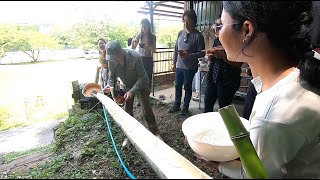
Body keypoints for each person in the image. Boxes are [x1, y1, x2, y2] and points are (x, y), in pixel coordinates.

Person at [196, 1, 320, 179]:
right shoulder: (294, 76)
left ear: (247, 30)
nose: (217, 32)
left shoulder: (272, 117)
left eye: (221, 25)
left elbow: (257, 175)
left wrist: (216, 163)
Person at [105, 40, 161, 142]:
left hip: (140, 85)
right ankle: (129, 135)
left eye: (115, 58)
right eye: (111, 58)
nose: (113, 61)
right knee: (127, 111)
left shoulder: (134, 57)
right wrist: (113, 93)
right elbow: (111, 77)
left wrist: (132, 91)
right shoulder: (111, 61)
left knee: (146, 109)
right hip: (126, 85)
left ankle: (155, 132)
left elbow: (143, 77)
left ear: (121, 52)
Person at [168, 9, 205, 116]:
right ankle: (176, 105)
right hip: (179, 65)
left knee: (187, 86)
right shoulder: (180, 33)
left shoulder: (198, 36)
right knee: (177, 85)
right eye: (184, 21)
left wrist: (189, 55)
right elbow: (176, 49)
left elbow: (201, 53)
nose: (185, 23)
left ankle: (185, 107)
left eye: (188, 21)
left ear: (193, 21)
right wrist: (173, 63)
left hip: (190, 67)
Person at [203, 17, 242, 113]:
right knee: (207, 103)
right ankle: (207, 127)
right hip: (213, 77)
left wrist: (222, 56)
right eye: (216, 26)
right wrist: (211, 57)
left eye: (220, 25)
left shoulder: (236, 42)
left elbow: (238, 65)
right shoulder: (217, 40)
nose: (216, 28)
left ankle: (223, 127)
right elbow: (215, 57)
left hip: (227, 80)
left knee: (224, 108)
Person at [132, 18, 156, 88]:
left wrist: (148, 48)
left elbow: (154, 50)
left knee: (148, 76)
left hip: (149, 58)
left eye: (145, 26)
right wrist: (133, 41)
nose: (143, 28)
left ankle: (147, 92)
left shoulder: (153, 37)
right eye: (142, 26)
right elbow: (133, 48)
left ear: (149, 26)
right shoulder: (139, 35)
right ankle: (141, 92)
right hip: (141, 58)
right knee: (140, 76)